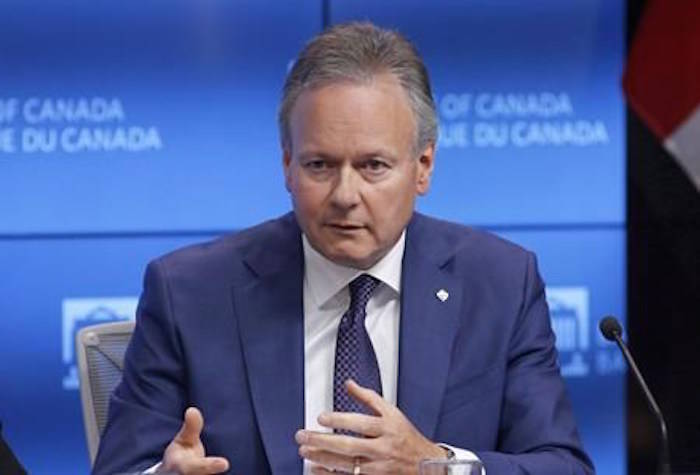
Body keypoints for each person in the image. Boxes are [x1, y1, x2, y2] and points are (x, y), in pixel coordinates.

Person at [93, 22, 594, 475]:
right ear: (287, 165)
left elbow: (562, 467)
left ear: (423, 167)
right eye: (319, 166)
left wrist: (438, 468)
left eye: (374, 165)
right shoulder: (190, 293)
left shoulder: (500, 284)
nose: (345, 195)